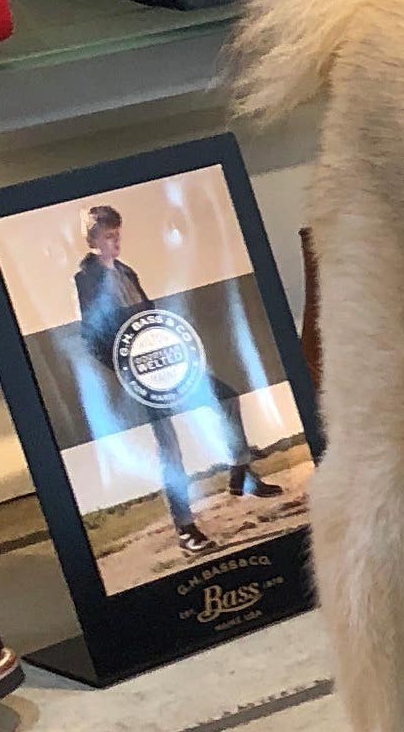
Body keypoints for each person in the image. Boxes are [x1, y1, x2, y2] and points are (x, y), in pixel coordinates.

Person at [75, 204, 277, 556]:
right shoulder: (86, 279)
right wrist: (125, 369)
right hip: (140, 376)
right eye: (109, 235)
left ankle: (240, 473)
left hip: (169, 362)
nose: (116, 240)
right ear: (93, 240)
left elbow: (148, 319)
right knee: (169, 446)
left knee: (226, 397)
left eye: (118, 233)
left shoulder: (126, 272)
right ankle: (185, 528)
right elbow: (91, 337)